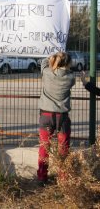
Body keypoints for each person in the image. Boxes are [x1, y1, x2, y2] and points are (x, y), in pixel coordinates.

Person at [37, 52, 75, 185]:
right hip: (62, 117)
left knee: (44, 147)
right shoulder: (70, 77)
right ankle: (63, 178)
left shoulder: (47, 73)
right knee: (63, 148)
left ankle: (42, 177)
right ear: (68, 63)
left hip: (46, 116)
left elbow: (43, 63)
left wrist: (50, 57)